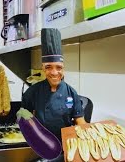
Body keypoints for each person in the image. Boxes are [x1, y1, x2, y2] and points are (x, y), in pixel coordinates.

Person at [22, 28, 87, 162]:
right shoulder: (33, 91)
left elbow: (80, 120)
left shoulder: (71, 92)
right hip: (40, 144)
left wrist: (91, 136)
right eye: (49, 67)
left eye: (58, 67)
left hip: (66, 145)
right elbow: (25, 117)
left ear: (63, 68)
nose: (54, 72)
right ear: (43, 69)